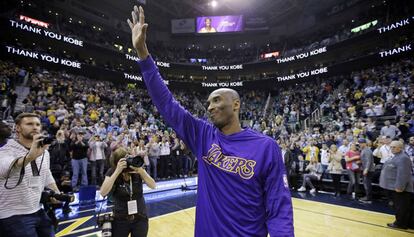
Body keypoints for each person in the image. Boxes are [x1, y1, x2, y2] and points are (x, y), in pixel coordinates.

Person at [127, 6, 293, 236]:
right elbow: (167, 104)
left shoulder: (266, 147)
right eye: (208, 103)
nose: (210, 106)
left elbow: (279, 209)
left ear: (236, 104)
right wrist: (143, 54)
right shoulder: (203, 135)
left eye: (217, 100)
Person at [0, 113, 61, 237]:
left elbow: (46, 174)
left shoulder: (44, 151)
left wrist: (56, 192)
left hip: (38, 209)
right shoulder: (6, 150)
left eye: (37, 124)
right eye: (29, 124)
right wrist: (29, 157)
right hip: (13, 215)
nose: (35, 127)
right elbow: (6, 169)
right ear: (17, 128)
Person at [100, 147, 156, 237]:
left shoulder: (136, 169)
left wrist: (141, 171)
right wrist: (117, 171)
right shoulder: (112, 171)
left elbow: (153, 185)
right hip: (120, 219)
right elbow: (103, 192)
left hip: (140, 217)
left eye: (129, 158)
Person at [380, 141, 413, 229]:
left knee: (401, 207)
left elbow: (403, 174)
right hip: (394, 186)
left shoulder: (403, 158)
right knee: (401, 206)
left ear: (400, 148)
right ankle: (407, 223)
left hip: (401, 188)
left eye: (394, 147)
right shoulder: (397, 156)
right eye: (391, 147)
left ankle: (400, 224)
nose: (392, 149)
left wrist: (400, 187)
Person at [358, 138, 375, 203]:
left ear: (365, 143)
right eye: (359, 143)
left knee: (367, 184)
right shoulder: (363, 150)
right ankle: (368, 196)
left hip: (368, 170)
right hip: (365, 169)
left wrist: (366, 169)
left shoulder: (367, 150)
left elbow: (368, 161)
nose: (360, 144)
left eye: (361, 143)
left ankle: (368, 198)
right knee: (366, 183)